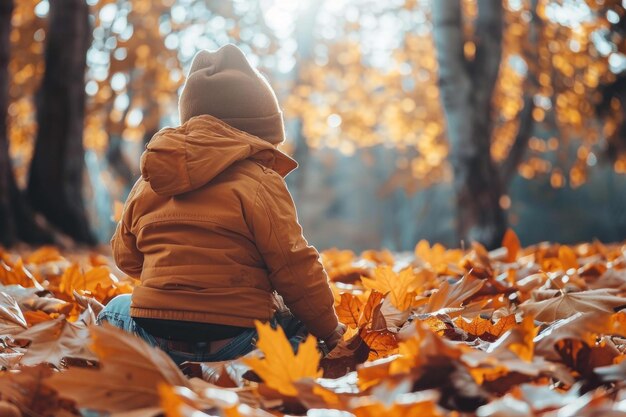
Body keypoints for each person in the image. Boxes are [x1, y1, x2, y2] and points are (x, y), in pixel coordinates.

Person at [97, 44, 345, 365]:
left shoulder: (149, 179)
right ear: (257, 132)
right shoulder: (260, 180)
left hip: (153, 334)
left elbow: (125, 257)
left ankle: (148, 362)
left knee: (114, 309)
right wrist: (331, 331)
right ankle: (248, 369)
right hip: (237, 340)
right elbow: (294, 266)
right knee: (301, 325)